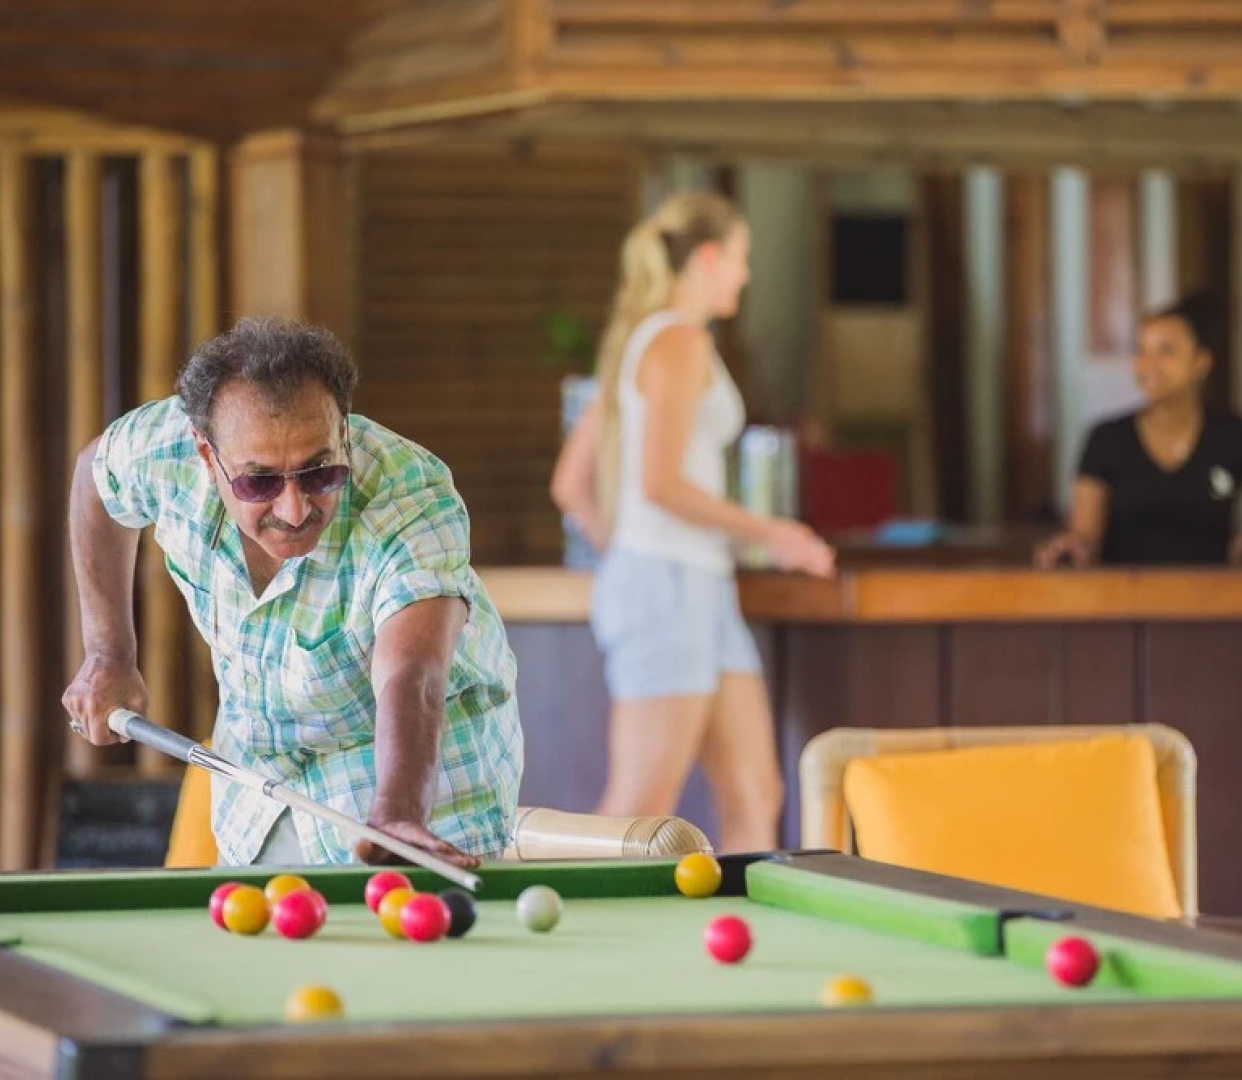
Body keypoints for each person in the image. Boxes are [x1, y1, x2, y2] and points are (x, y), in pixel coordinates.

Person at [63, 316, 522, 869]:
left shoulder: (411, 495)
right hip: (260, 789)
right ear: (207, 457)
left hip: (422, 787)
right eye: (259, 482)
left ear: (344, 434)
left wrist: (399, 813)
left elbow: (413, 673)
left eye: (319, 473)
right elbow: (94, 475)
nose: (294, 509)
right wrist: (108, 654)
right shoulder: (163, 453)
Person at [551, 191, 833, 853]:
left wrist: (624, 552)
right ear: (708, 258)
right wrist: (774, 534)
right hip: (670, 588)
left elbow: (569, 483)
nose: (745, 273)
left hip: (694, 586)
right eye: (741, 258)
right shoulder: (676, 341)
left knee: (755, 794)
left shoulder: (641, 341)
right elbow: (660, 485)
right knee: (642, 807)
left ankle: (737, 944)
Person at [1036, 294, 1242, 568]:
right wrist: (1071, 545)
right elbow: (1085, 534)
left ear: (1201, 362)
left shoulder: (1229, 435)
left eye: (1166, 351)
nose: (1148, 364)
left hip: (1212, 600)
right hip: (1124, 600)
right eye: (1141, 350)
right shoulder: (1106, 439)